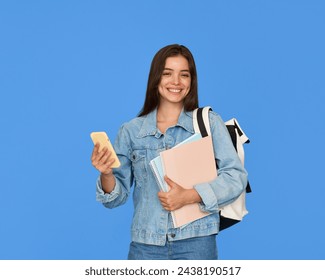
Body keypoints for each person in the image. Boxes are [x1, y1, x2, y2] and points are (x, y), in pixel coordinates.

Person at [91, 44, 247, 260]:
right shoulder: (131, 131)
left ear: (191, 81)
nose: (176, 82)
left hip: (197, 243)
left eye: (184, 75)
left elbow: (235, 177)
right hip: (146, 246)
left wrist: (189, 196)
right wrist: (106, 174)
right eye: (167, 74)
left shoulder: (208, 123)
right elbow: (115, 199)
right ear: (156, 78)